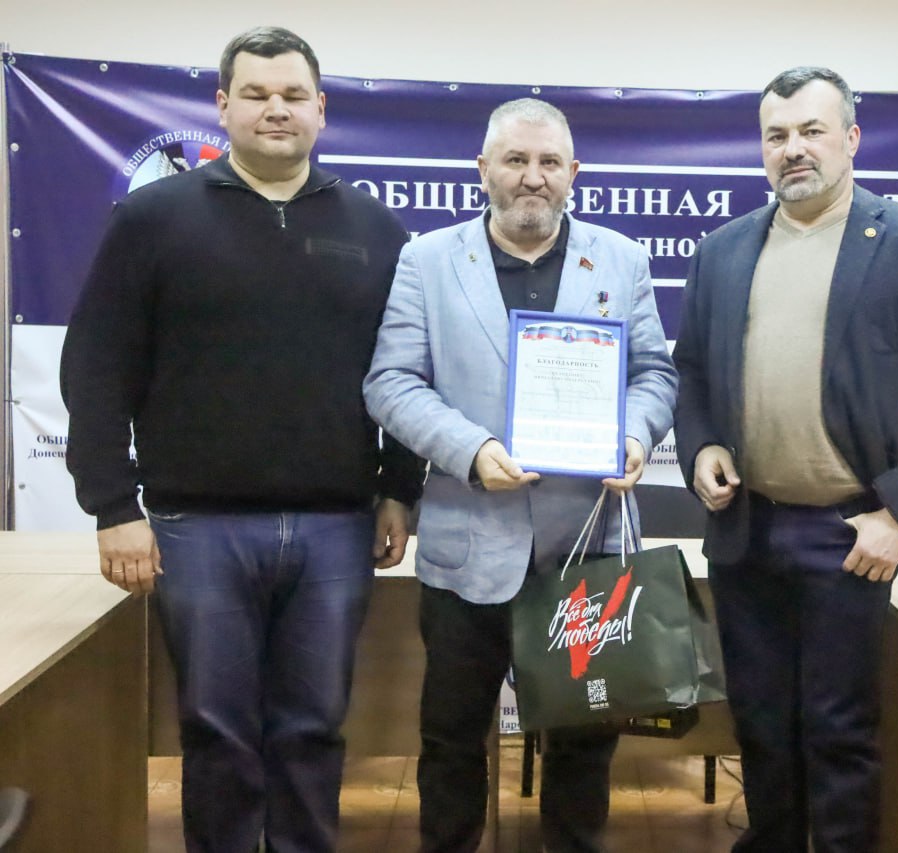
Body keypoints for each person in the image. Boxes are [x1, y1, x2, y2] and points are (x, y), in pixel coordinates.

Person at [60, 26, 423, 852]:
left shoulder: (374, 228)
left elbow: (405, 370)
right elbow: (97, 366)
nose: (275, 109)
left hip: (336, 527)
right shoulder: (153, 218)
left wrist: (401, 487)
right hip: (196, 528)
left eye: (293, 95)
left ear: (321, 110)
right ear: (222, 106)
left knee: (314, 729)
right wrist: (112, 505)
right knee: (216, 733)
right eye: (256, 94)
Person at [672, 66, 898, 852]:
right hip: (747, 530)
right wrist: (703, 446)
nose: (793, 149)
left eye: (812, 131)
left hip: (852, 535)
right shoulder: (722, 251)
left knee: (839, 731)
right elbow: (693, 376)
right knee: (761, 724)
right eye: (776, 135)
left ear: (851, 139)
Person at [363, 97, 677, 853]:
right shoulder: (427, 260)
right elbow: (392, 381)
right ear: (483, 170)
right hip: (469, 544)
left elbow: (654, 374)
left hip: (588, 549)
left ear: (573, 172)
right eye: (515, 160)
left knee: (584, 742)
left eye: (548, 162)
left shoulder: (621, 259)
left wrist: (633, 435)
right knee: (450, 740)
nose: (532, 177)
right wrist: (470, 449)